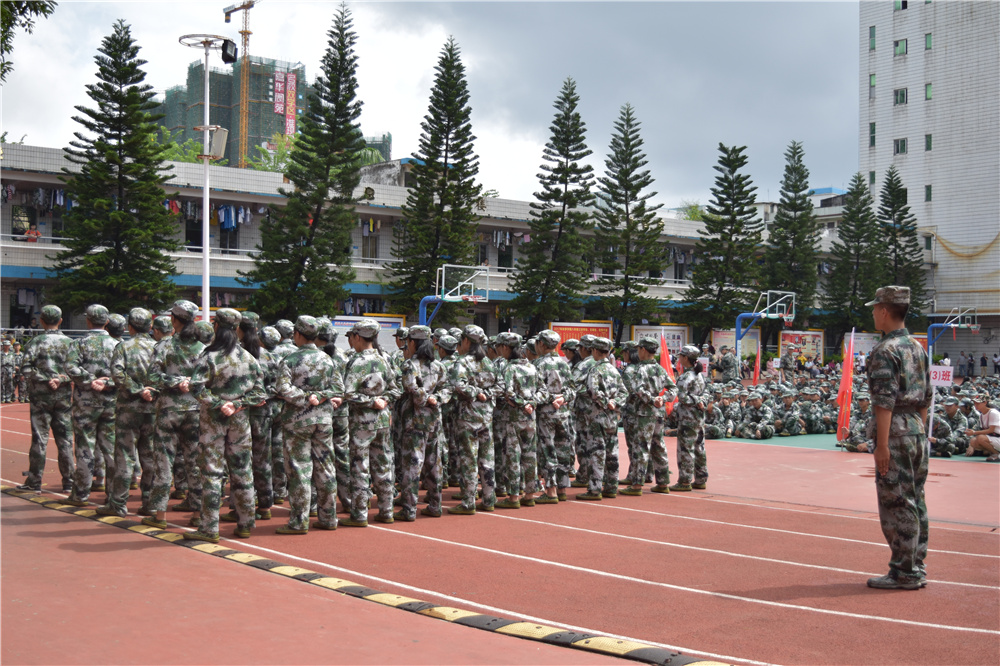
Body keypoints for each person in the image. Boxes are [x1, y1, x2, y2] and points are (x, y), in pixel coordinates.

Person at [865, 285, 931, 590]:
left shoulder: (885, 350)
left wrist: (882, 445)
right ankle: (915, 564)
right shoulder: (918, 347)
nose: (873, 314)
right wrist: (921, 432)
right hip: (916, 428)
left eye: (875, 309)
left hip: (895, 432)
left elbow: (884, 402)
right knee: (916, 499)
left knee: (896, 502)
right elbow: (926, 397)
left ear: (883, 311)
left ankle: (905, 572)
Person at [183, 309, 265, 543]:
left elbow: (196, 387)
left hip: (213, 420)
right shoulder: (248, 358)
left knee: (211, 472)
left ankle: (209, 527)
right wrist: (237, 404)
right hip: (239, 420)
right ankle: (245, 523)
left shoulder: (209, 356)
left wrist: (220, 404)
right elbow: (260, 393)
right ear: (237, 329)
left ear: (216, 327)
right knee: (242, 470)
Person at [272, 315, 342, 534]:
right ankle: (328, 517)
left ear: (298, 334)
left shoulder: (290, 360)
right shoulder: (328, 359)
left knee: (299, 470)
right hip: (323, 420)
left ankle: (299, 521)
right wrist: (319, 396)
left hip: (297, 421)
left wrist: (305, 397)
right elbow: (339, 389)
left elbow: (283, 388)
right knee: (326, 468)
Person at [141, 301, 204, 526]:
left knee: (163, 462)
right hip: (196, 410)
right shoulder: (203, 347)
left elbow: (152, 377)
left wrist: (176, 382)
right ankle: (197, 514)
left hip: (169, 410)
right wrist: (189, 382)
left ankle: (160, 515)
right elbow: (208, 378)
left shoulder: (164, 346)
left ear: (173, 320)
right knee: (194, 462)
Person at [96, 308, 157, 517]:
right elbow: (165, 375)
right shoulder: (159, 347)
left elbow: (117, 374)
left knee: (124, 457)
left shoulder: (123, 347)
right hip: (152, 409)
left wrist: (137, 390)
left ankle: (118, 503)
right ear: (150, 326)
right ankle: (149, 502)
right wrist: (150, 391)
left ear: (129, 327)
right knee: (149, 457)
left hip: (128, 410)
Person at [342, 319, 399, 526]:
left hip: (362, 422)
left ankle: (359, 514)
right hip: (382, 420)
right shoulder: (384, 359)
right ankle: (386, 510)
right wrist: (383, 400)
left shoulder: (356, 362)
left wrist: (370, 401)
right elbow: (395, 389)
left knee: (360, 466)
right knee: (383, 465)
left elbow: (348, 393)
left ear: (357, 337)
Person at [62, 305, 118, 506]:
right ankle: (114, 496)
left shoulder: (79, 344)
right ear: (107, 322)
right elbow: (126, 373)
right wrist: (107, 382)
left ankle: (80, 494)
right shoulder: (118, 345)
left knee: (84, 448)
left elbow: (70, 367)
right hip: (111, 403)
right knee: (111, 449)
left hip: (85, 403)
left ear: (88, 320)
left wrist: (90, 380)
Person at [17, 305, 76, 493]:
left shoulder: (35, 342)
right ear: (60, 321)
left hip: (40, 397)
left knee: (39, 438)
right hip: (63, 397)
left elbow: (26, 369)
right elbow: (76, 371)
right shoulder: (70, 343)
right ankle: (69, 481)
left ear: (42, 321)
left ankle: (34, 481)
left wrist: (44, 378)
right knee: (65, 439)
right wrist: (60, 379)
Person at [395, 325, 448, 520]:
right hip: (433, 419)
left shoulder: (410, 365)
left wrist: (425, 398)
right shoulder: (438, 366)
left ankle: (409, 509)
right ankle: (435, 505)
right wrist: (436, 399)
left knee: (412, 464)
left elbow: (411, 389)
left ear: (413, 342)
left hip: (415, 420)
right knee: (434, 463)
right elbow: (447, 389)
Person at [448, 325, 497, 515]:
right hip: (486, 416)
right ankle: (489, 499)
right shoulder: (488, 362)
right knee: (487, 459)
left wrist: (475, 392)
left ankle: (469, 502)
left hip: (468, 417)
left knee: (468, 459)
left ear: (466, 341)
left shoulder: (462, 362)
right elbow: (499, 386)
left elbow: (458, 385)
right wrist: (486, 394)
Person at [670, 345, 708, 492]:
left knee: (686, 449)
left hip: (687, 417)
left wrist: (695, 400)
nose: (679, 359)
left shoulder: (686, 377)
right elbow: (705, 394)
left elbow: (682, 397)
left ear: (686, 358)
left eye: (681, 356)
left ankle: (685, 481)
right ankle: (701, 479)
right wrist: (700, 400)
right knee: (699, 448)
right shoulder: (700, 375)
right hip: (699, 417)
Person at [964, 394, 1000, 461]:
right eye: (975, 403)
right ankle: (993, 452)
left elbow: (991, 430)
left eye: (978, 403)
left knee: (980, 438)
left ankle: (996, 454)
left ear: (985, 403)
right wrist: (970, 432)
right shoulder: (981, 415)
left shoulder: (993, 413)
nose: (976, 405)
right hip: (994, 439)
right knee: (973, 441)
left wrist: (974, 432)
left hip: (998, 437)